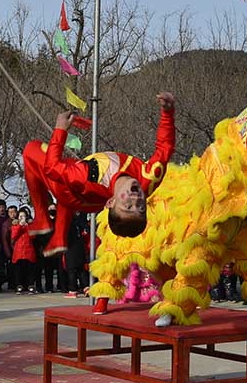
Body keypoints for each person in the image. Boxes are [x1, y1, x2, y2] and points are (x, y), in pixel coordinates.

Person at [23, 93, 176, 259]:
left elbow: (51, 168)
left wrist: (60, 129)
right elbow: (165, 147)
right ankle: (59, 238)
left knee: (31, 150)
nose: (136, 201)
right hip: (85, 195)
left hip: (70, 190)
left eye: (128, 207)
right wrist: (167, 112)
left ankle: (42, 218)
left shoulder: (86, 177)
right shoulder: (149, 177)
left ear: (111, 202)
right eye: (141, 208)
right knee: (70, 174)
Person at [64, 212, 90, 297]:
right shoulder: (79, 222)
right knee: (81, 269)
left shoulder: (68, 223)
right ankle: (86, 288)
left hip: (71, 248)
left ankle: (73, 290)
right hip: (80, 247)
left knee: (71, 270)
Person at [11, 209, 37, 294]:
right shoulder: (15, 226)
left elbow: (33, 236)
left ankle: (30, 286)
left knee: (30, 270)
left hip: (28, 250)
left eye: (24, 216)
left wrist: (28, 226)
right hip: (18, 251)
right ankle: (19, 286)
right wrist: (19, 226)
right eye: (20, 216)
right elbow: (14, 237)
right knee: (18, 270)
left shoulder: (30, 225)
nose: (22, 218)